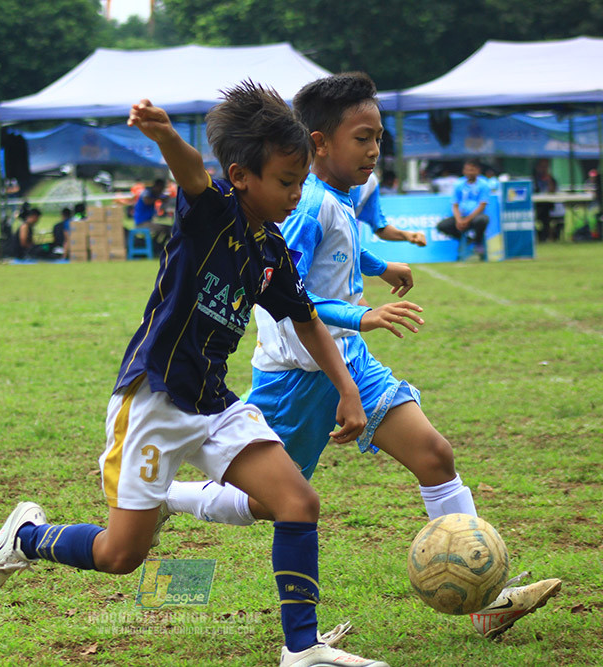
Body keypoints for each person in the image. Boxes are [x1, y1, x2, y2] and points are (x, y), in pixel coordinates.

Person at [0, 81, 390, 667]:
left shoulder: (272, 251)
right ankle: (27, 537)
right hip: (155, 401)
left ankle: (302, 650)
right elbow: (193, 170)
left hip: (214, 404)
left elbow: (306, 319)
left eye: (301, 182)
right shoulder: (212, 214)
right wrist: (166, 133)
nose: (297, 194)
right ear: (242, 176)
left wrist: (348, 388)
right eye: (285, 182)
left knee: (296, 501)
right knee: (122, 557)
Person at [161, 73, 561, 642]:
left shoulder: (339, 199)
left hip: (351, 364)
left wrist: (379, 265)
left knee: (434, 455)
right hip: (297, 375)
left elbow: (342, 248)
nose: (375, 150)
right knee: (266, 501)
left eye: (379, 139)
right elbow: (288, 298)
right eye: (363, 138)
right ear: (319, 143)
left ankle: (487, 599)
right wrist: (361, 315)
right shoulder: (303, 207)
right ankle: (165, 497)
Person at [351, 172, 427, 246]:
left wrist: (407, 235)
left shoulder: (370, 182)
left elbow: (380, 228)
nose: (373, 159)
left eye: (377, 158)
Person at [436, 159, 490, 260]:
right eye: (467, 170)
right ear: (464, 171)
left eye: (472, 170)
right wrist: (459, 220)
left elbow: (482, 205)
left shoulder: (483, 184)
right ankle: (467, 239)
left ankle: (478, 241)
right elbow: (455, 204)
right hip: (461, 217)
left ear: (478, 171)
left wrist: (467, 220)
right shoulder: (459, 184)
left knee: (482, 220)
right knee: (442, 226)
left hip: (475, 216)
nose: (470, 172)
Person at [132, 177, 172, 250]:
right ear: (157, 186)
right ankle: (158, 246)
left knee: (168, 229)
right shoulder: (147, 192)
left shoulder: (154, 194)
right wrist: (158, 198)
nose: (161, 190)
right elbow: (147, 201)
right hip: (142, 223)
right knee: (168, 229)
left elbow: (165, 198)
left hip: (148, 222)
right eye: (161, 188)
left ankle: (157, 245)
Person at [532, 158, 563, 242]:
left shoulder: (551, 179)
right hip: (536, 206)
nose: (544, 169)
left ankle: (547, 236)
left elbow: (552, 191)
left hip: (548, 206)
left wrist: (549, 180)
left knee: (547, 215)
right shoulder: (534, 179)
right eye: (542, 166)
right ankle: (540, 236)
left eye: (546, 167)